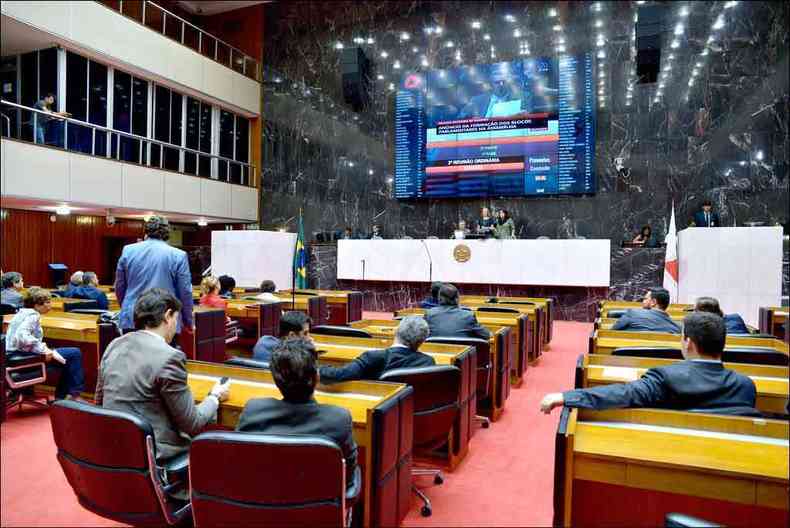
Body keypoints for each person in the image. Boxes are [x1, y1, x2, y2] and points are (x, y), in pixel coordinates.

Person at [96, 288, 230, 461]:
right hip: (154, 454)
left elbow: (99, 402)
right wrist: (214, 397)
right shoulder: (170, 357)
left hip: (114, 448)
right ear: (167, 316)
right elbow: (192, 424)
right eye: (176, 318)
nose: (177, 325)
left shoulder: (115, 344)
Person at [540, 312, 758, 416]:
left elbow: (624, 394)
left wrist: (566, 397)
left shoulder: (666, 378)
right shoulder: (746, 386)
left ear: (688, 343)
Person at [237, 337, 358, 488]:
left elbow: (241, 465)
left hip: (262, 501)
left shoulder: (252, 410)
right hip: (318, 508)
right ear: (317, 377)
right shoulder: (338, 419)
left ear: (275, 380)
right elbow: (348, 479)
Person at [114, 216, 194, 335]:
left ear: (146, 231)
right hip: (163, 321)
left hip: (132, 318)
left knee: (132, 353)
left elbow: (120, 286)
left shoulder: (128, 251)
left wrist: (127, 308)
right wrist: (188, 321)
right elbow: (185, 292)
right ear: (167, 233)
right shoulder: (178, 255)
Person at [4, 287, 85, 399]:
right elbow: (22, 336)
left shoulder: (21, 312)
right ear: (36, 305)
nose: (50, 305)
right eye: (47, 302)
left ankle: (63, 396)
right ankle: (72, 395)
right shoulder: (33, 315)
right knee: (74, 353)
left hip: (12, 356)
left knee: (65, 360)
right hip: (24, 356)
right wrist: (43, 349)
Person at [319, 316, 435, 383]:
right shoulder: (428, 362)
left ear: (396, 331)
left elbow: (338, 375)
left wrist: (310, 368)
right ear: (422, 341)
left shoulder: (373, 357)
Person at [425, 283, 491, 340]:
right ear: (457, 299)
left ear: (439, 299)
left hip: (436, 353)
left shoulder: (429, 314)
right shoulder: (468, 316)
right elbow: (487, 335)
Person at [611, 287, 680, 334]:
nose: (643, 302)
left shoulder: (632, 313)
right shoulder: (677, 328)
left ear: (653, 302)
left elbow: (611, 333)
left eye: (645, 299)